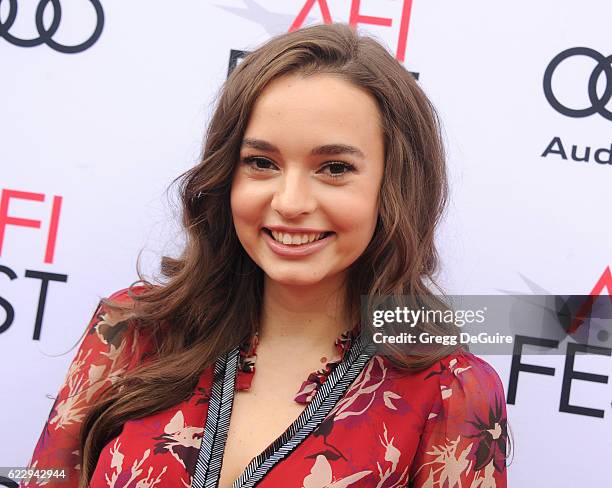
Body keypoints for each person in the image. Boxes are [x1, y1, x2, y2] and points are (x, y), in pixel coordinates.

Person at [25, 22, 509, 488]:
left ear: (395, 186)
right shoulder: (131, 329)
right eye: (261, 163)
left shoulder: (449, 392)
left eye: (334, 167)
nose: (290, 202)